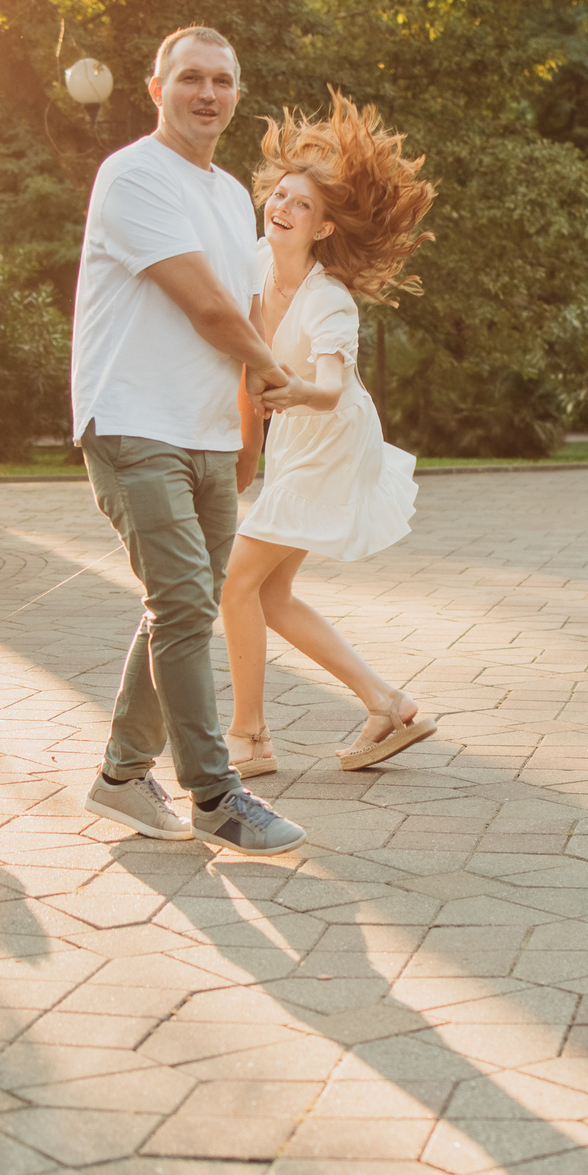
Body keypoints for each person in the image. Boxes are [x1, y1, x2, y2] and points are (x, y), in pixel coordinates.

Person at [71, 25, 308, 856]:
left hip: (204, 431)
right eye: (190, 78)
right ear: (157, 88)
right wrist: (273, 371)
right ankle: (214, 794)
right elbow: (205, 307)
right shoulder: (134, 174)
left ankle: (119, 778)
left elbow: (245, 313)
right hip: (133, 421)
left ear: (237, 94)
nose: (208, 93)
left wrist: (250, 434)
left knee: (185, 606)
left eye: (222, 81)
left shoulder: (231, 194)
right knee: (180, 604)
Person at [220, 92, 441, 778]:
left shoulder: (328, 299)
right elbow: (241, 352)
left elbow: (331, 387)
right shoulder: (255, 262)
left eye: (302, 205)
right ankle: (389, 704)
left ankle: (249, 737)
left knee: (236, 584)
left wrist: (286, 393)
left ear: (322, 227)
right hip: (297, 442)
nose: (283, 208)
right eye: (280, 196)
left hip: (334, 441)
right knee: (269, 594)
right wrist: (250, 445)